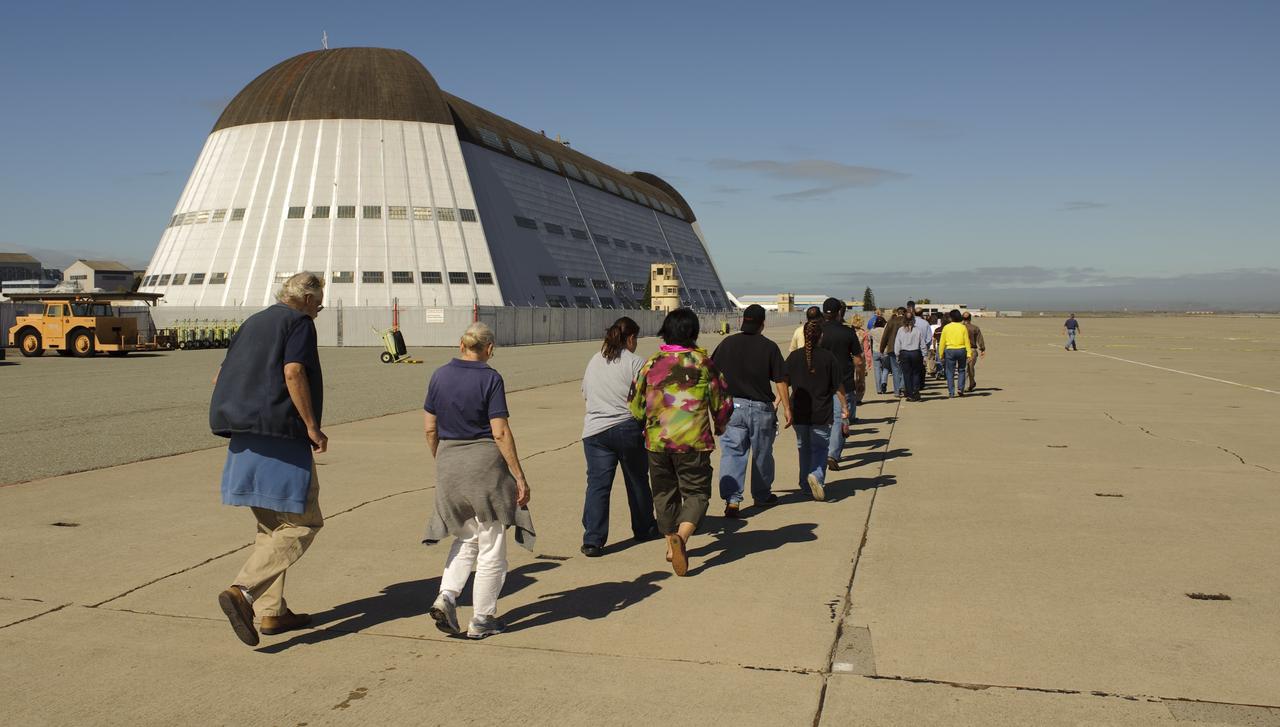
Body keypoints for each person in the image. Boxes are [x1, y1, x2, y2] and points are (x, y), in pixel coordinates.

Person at [210, 272, 328, 646]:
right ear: (308, 299)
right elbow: (293, 372)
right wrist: (311, 425)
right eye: (319, 302)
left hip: (244, 438)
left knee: (271, 530)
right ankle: (242, 592)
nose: (319, 309)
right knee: (302, 524)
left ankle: (272, 612)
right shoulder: (299, 323)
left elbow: (220, 377)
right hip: (281, 439)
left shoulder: (253, 322)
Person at [424, 322, 533, 640]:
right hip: (485, 468)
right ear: (489, 348)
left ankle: (447, 595)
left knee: (466, 536)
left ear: (461, 344)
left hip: (449, 463)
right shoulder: (490, 377)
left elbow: (430, 427)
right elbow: (499, 431)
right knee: (492, 544)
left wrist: (442, 460)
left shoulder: (438, 376)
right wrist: (518, 474)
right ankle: (482, 617)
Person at [630, 309, 732, 576]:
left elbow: (636, 405)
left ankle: (669, 544)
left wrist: (648, 421)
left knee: (664, 494)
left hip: (657, 443)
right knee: (697, 493)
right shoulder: (703, 363)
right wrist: (720, 424)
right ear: (693, 333)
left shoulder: (651, 363)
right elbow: (722, 401)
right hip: (692, 441)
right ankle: (682, 539)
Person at [579, 317, 660, 557]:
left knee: (598, 486)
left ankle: (593, 539)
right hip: (626, 427)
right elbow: (647, 399)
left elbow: (585, 391)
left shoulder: (595, 360)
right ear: (631, 339)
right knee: (636, 480)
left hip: (595, 430)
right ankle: (644, 527)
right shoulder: (636, 363)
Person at [711, 304, 790, 518]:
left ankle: (733, 499)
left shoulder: (727, 343)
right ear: (762, 324)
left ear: (742, 321)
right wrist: (787, 408)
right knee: (762, 453)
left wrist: (716, 406)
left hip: (733, 407)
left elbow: (712, 376)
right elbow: (781, 380)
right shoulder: (769, 347)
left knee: (732, 452)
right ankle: (762, 495)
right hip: (761, 408)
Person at [784, 320, 846, 501]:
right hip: (821, 412)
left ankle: (805, 485)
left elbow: (783, 382)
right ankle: (817, 476)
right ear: (821, 336)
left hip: (799, 412)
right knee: (820, 449)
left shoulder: (794, 357)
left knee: (803, 449)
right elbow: (838, 387)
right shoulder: (828, 357)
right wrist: (844, 406)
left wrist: (782, 404)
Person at [818, 298, 861, 471]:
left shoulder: (817, 331)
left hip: (820, 382)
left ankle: (822, 451)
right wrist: (861, 380)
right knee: (840, 417)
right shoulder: (848, 332)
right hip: (844, 381)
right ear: (839, 313)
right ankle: (833, 453)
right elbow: (858, 360)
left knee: (821, 420)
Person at [894, 309, 929, 401]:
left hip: (904, 353)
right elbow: (922, 343)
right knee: (916, 373)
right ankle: (915, 391)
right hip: (915, 353)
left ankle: (910, 394)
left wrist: (897, 354)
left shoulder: (901, 330)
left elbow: (897, 343)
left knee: (907, 374)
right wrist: (924, 355)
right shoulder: (917, 330)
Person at [938, 310, 973, 397]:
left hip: (950, 350)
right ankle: (960, 388)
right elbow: (967, 341)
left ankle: (951, 392)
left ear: (951, 317)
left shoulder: (946, 327)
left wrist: (940, 354)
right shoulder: (963, 327)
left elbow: (942, 342)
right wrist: (969, 354)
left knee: (950, 372)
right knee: (961, 370)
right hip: (961, 350)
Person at [879, 307, 907, 398]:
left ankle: (896, 391)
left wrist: (882, 348)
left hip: (892, 348)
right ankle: (902, 386)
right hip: (904, 349)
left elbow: (885, 336)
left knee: (895, 370)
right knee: (904, 369)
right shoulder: (907, 322)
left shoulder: (891, 321)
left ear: (897, 312)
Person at [962, 312, 986, 392]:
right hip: (972, 350)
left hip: (961, 349)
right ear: (970, 318)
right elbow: (980, 339)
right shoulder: (975, 328)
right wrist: (982, 349)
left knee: (964, 369)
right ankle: (970, 383)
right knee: (970, 368)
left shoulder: (960, 327)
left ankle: (965, 385)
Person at [869, 318, 890, 395]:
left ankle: (878, 389)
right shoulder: (885, 330)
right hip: (885, 351)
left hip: (875, 351)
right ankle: (884, 382)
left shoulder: (872, 331)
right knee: (886, 368)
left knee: (877, 370)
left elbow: (870, 341)